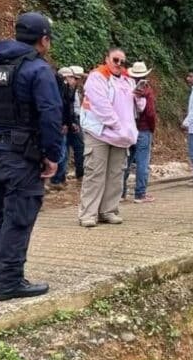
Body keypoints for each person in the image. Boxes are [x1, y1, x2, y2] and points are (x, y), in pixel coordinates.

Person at [0, 11, 62, 301]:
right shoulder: (38, 70)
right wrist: (51, 154)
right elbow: (50, 115)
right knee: (18, 214)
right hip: (23, 154)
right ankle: (10, 281)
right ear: (43, 40)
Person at [78, 47, 146, 227]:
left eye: (122, 61)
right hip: (100, 133)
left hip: (121, 137)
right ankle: (88, 213)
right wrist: (117, 126)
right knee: (95, 174)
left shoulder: (127, 80)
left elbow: (138, 108)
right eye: (116, 60)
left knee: (116, 175)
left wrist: (139, 96)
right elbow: (101, 106)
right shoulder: (97, 77)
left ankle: (108, 210)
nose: (119, 64)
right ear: (106, 59)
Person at [122, 62, 157, 203]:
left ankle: (120, 193)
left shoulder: (126, 87)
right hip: (143, 129)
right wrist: (152, 127)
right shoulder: (146, 90)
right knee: (143, 162)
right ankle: (140, 193)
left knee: (126, 161)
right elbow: (150, 113)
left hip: (129, 128)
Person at [49, 67, 82, 189]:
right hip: (60, 125)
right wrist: (65, 123)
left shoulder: (68, 90)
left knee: (64, 152)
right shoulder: (60, 91)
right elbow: (63, 108)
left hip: (65, 124)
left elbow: (69, 109)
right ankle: (56, 179)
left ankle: (59, 178)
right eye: (72, 77)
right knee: (61, 152)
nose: (74, 80)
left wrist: (69, 123)